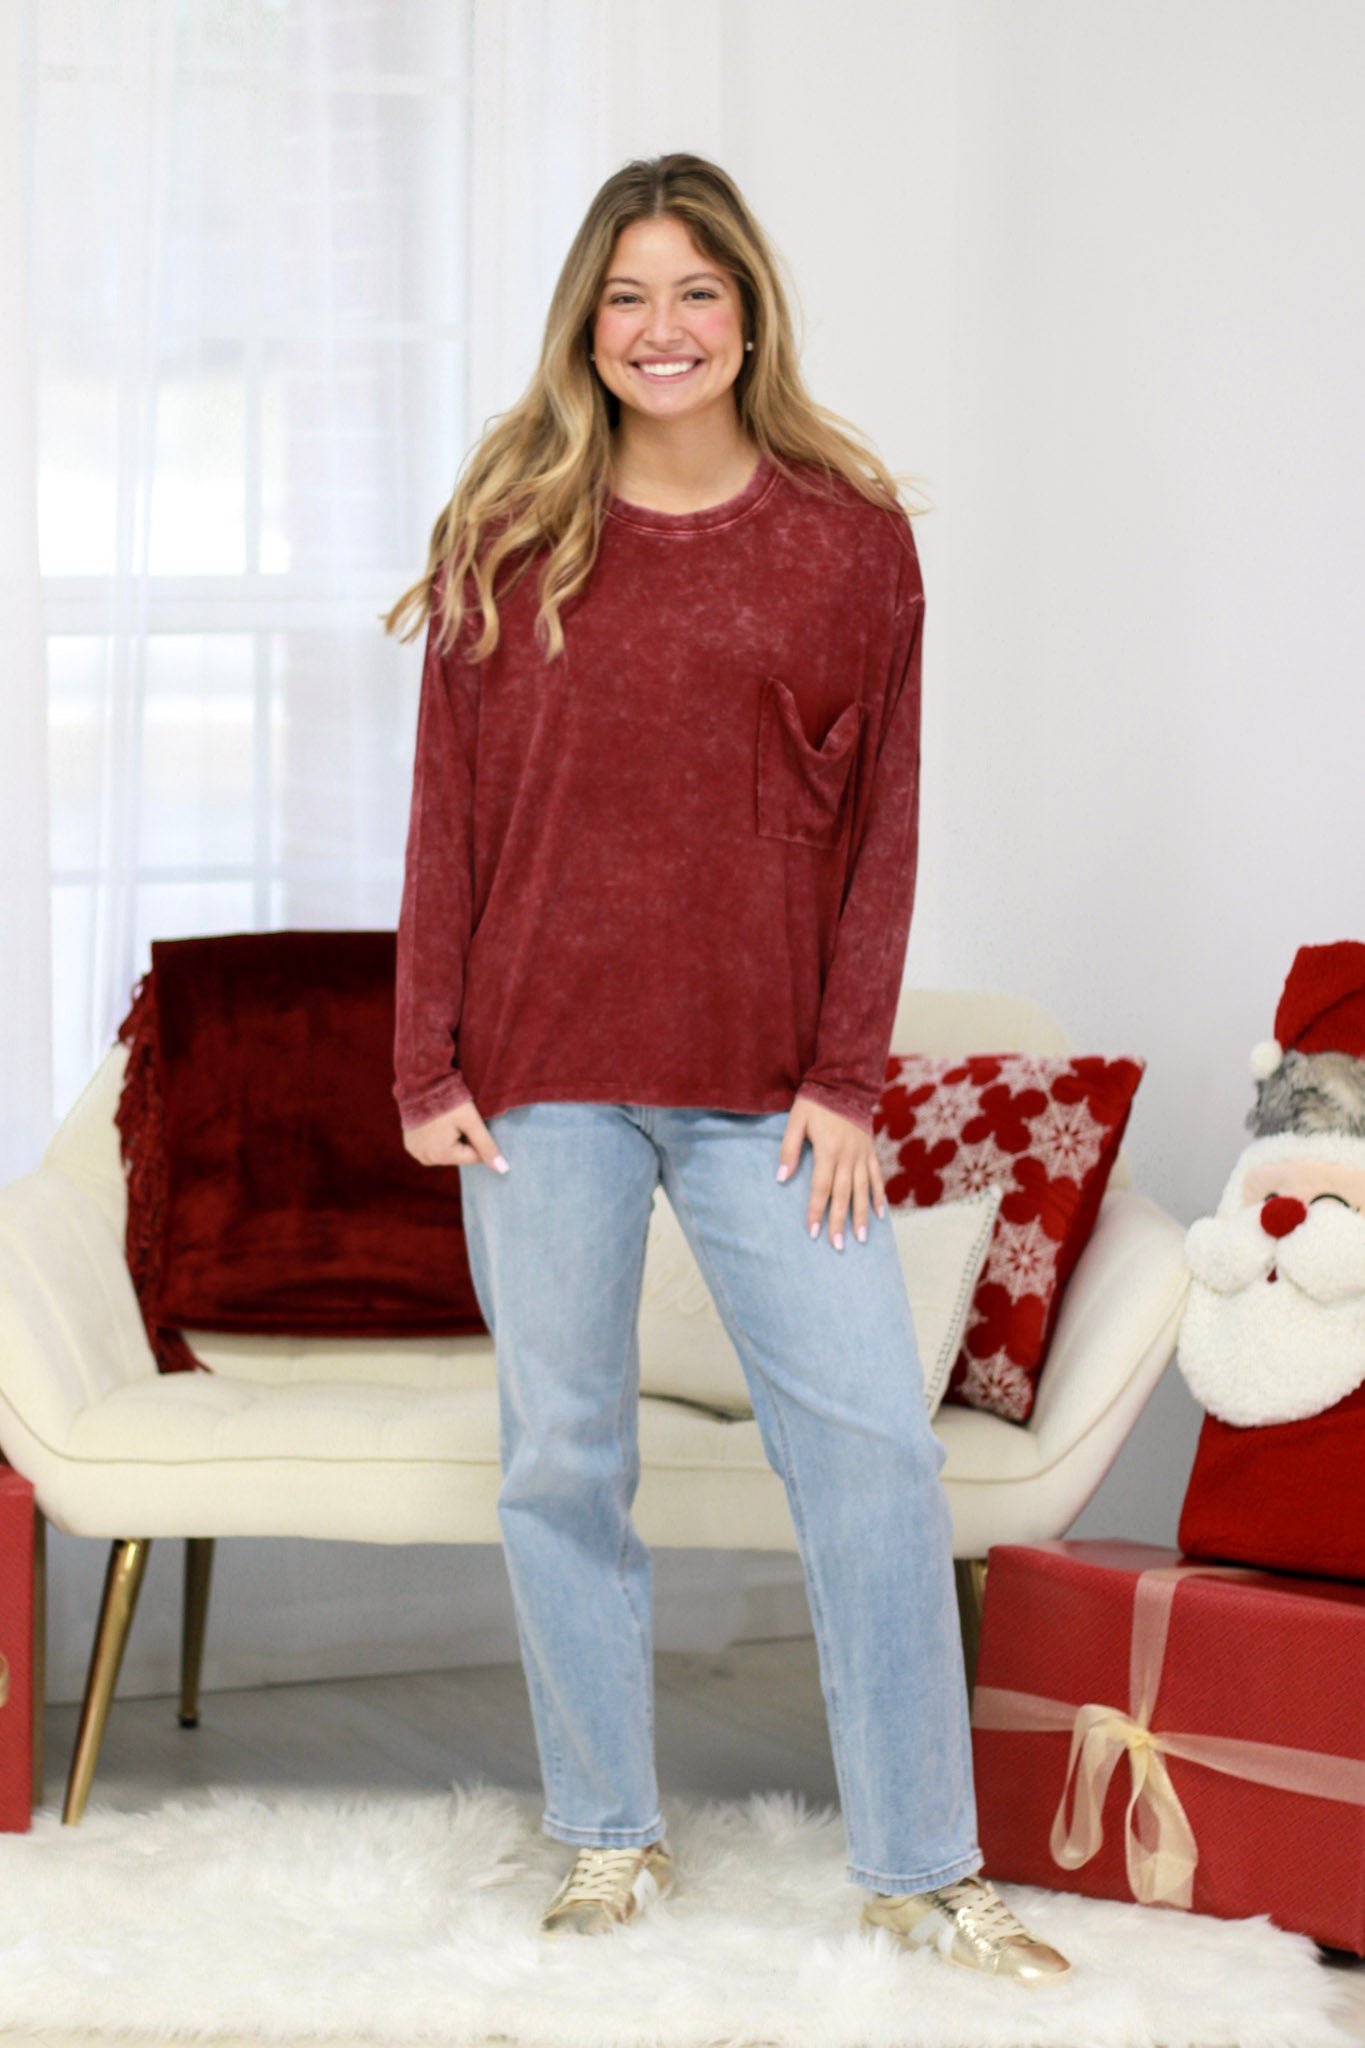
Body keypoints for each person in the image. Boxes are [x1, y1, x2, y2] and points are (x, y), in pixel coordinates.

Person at [383, 151, 1070, 1985]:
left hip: (771, 1091)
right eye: (625, 295)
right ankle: (608, 1835)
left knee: (868, 1456)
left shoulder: (848, 540)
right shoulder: (509, 531)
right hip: (535, 1079)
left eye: (694, 291)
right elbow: (446, 812)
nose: (660, 327)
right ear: (584, 326)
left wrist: (848, 1079)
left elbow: (881, 825)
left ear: (749, 315)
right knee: (561, 1459)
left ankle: (921, 1869)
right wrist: (422, 1061)